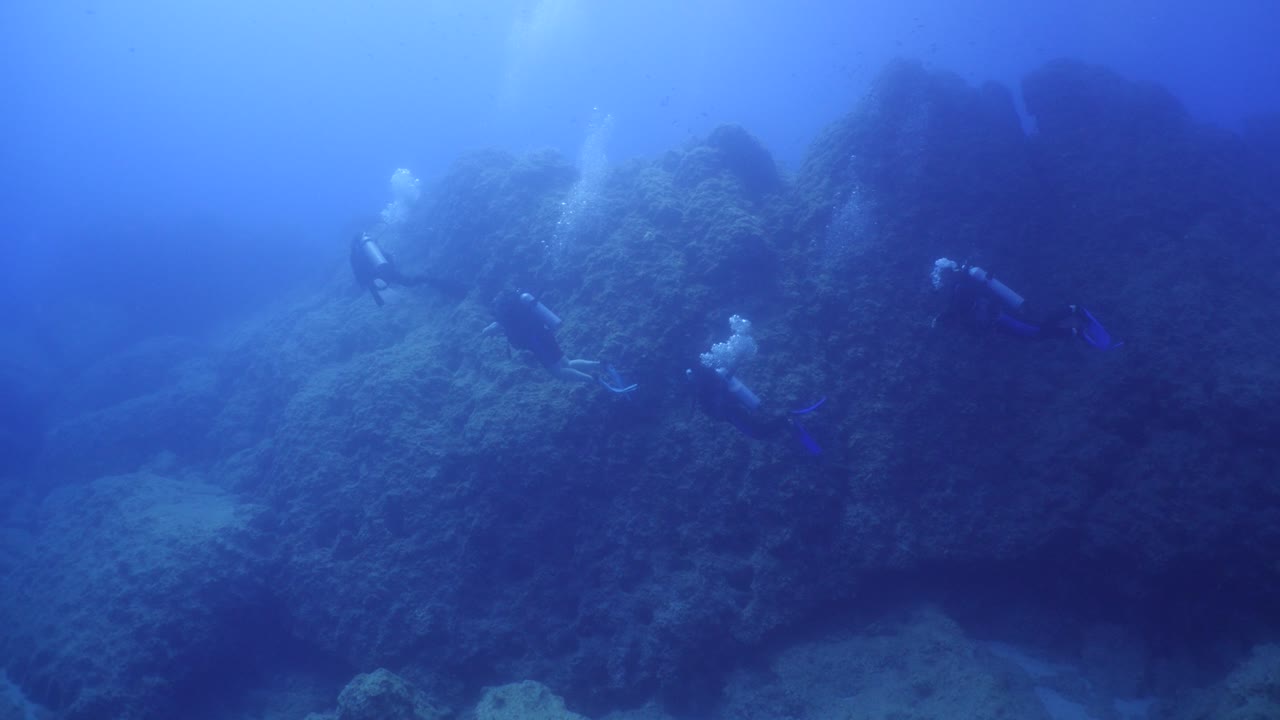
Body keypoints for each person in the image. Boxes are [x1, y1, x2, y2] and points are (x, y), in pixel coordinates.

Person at [930, 258, 1121, 350]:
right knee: (1032, 335)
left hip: (1000, 312)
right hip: (997, 319)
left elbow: (972, 301)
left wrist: (945, 317)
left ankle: (1074, 311)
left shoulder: (959, 290)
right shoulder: (957, 292)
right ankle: (1075, 332)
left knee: (1036, 330)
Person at [482, 290, 636, 392]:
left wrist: (491, 329)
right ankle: (602, 365)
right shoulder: (517, 306)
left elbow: (488, 330)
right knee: (567, 363)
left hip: (536, 342)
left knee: (558, 372)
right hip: (545, 333)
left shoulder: (503, 318)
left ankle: (594, 380)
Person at [350, 232, 465, 306]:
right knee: (411, 282)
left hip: (375, 279)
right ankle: (439, 283)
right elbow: (388, 257)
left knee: (381, 299)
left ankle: (385, 304)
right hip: (388, 271)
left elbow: (359, 275)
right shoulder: (370, 245)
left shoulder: (355, 255)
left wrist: (368, 285)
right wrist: (392, 270)